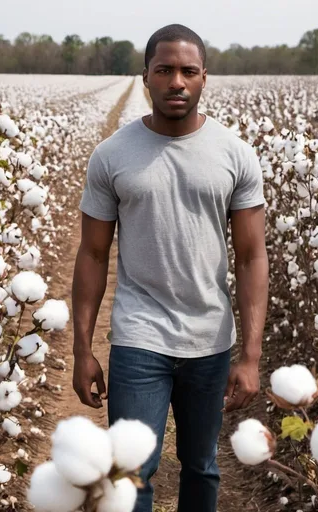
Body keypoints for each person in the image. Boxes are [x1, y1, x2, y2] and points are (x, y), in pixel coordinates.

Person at [72, 23, 269, 512]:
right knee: (130, 470)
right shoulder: (113, 155)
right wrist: (81, 349)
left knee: (201, 466)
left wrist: (250, 355)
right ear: (146, 78)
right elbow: (93, 255)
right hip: (139, 337)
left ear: (205, 78)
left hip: (210, 339)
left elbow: (251, 257)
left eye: (188, 71)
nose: (176, 81)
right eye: (164, 70)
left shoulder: (235, 154)